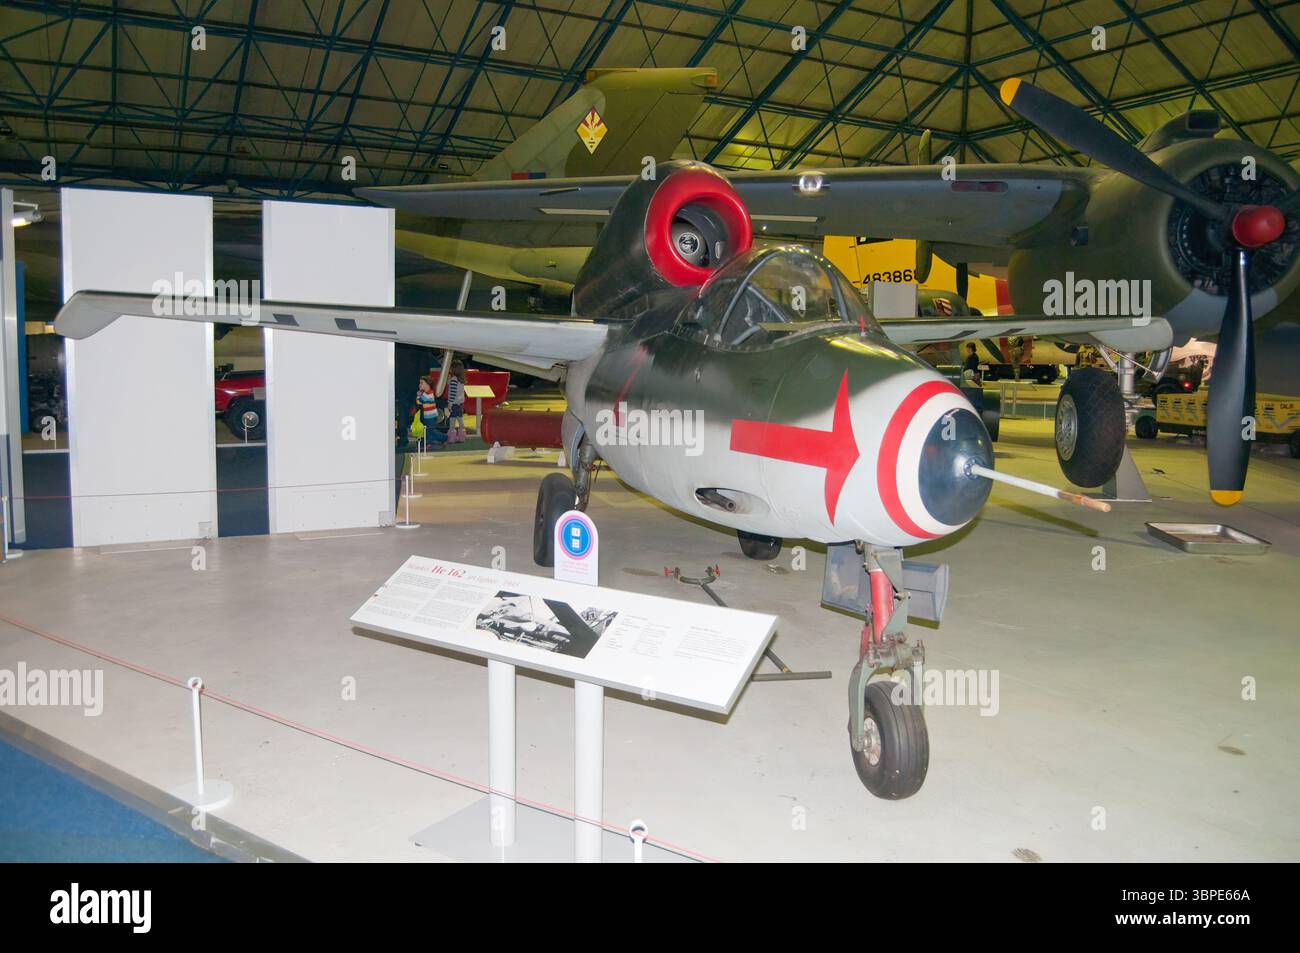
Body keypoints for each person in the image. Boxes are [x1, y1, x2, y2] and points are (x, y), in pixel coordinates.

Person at [416, 377, 449, 447]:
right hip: (430, 415)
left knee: (431, 430)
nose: (419, 385)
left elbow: (419, 402)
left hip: (429, 416)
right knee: (428, 430)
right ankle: (428, 442)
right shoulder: (429, 392)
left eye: (421, 383)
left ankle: (444, 438)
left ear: (427, 384)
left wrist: (418, 395)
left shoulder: (427, 394)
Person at [446, 360, 467, 444]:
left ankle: (451, 437)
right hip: (460, 403)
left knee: (452, 420)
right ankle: (462, 436)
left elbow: (452, 393)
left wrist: (450, 404)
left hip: (454, 404)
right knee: (460, 419)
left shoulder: (454, 380)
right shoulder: (461, 379)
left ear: (453, 369)